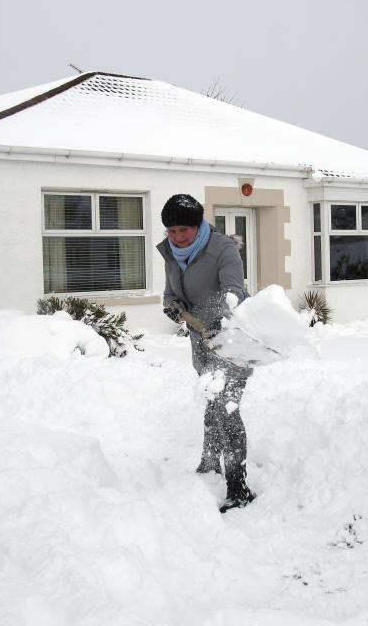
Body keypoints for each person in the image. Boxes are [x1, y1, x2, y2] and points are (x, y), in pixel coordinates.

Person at [156, 193, 256, 512]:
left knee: (227, 405)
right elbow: (172, 291)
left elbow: (234, 293)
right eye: (171, 231)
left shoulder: (223, 248)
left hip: (231, 337)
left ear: (198, 225)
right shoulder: (172, 252)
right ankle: (210, 461)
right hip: (200, 339)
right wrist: (174, 306)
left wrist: (217, 319)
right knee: (212, 399)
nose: (177, 237)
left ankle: (238, 486)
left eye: (183, 230)